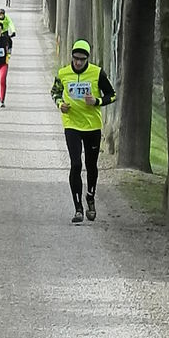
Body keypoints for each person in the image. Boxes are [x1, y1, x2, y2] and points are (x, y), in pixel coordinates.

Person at [51, 39, 116, 223]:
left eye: (82, 59)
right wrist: (60, 104)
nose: (78, 62)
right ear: (72, 56)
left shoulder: (97, 73)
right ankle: (78, 208)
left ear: (87, 58)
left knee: (91, 165)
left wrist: (97, 101)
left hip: (92, 126)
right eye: (76, 58)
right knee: (75, 165)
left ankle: (90, 197)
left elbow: (112, 94)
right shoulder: (63, 73)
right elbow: (55, 92)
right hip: (71, 124)